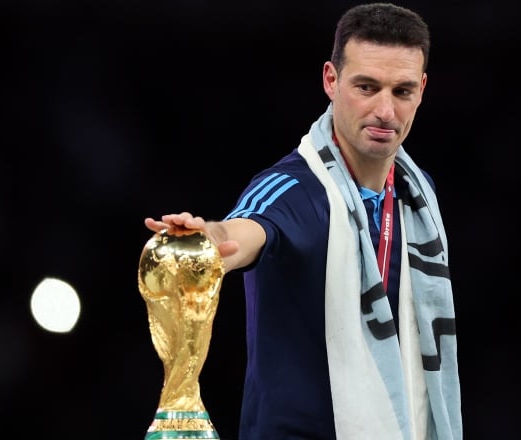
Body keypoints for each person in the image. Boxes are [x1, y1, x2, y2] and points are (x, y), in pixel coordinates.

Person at [145, 3, 462, 439]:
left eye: (401, 91)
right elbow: (245, 229)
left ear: (422, 89)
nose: (385, 111)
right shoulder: (293, 189)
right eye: (366, 87)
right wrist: (210, 237)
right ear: (330, 80)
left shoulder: (417, 194)